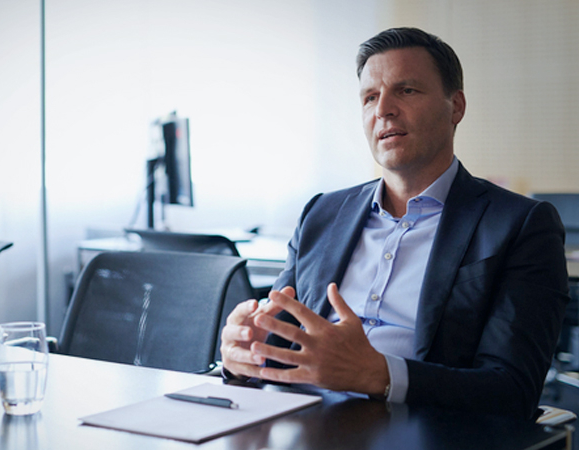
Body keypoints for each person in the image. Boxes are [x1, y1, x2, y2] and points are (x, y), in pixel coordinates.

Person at [220, 27, 569, 420]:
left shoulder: (521, 225)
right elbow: (278, 342)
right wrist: (244, 354)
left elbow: (513, 390)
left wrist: (380, 375)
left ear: (455, 107)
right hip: (302, 422)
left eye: (406, 90)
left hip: (419, 428)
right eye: (370, 97)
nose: (382, 109)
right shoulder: (322, 213)